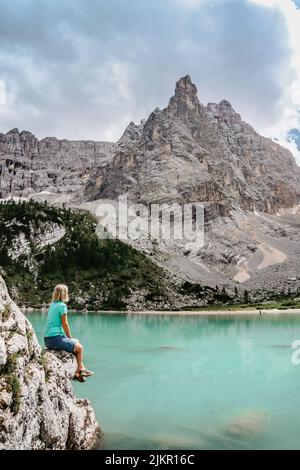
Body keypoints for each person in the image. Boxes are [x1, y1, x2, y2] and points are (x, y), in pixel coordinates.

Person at [44, 284, 93, 382]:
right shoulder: (62, 306)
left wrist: (70, 339)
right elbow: (65, 324)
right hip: (55, 339)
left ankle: (79, 372)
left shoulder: (53, 305)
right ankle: (80, 369)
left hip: (48, 339)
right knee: (79, 348)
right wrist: (69, 337)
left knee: (76, 342)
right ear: (64, 294)